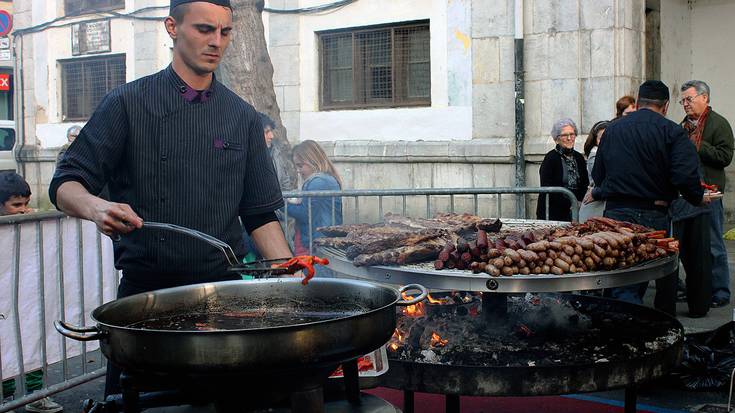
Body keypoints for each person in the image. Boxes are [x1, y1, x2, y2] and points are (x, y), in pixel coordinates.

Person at [49, 0, 293, 397]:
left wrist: (292, 286)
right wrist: (97, 208)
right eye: (203, 29)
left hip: (223, 299)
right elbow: (64, 183)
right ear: (171, 28)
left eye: (225, 32)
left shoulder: (242, 117)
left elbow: (260, 215)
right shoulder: (127, 103)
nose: (216, 42)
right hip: (147, 302)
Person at [588, 80, 707, 316]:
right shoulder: (672, 131)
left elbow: (598, 175)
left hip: (616, 214)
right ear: (665, 106)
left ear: (639, 101)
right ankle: (626, 328)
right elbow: (685, 175)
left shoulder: (612, 129)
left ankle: (616, 325)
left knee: (621, 273)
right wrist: (698, 197)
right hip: (652, 214)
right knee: (635, 276)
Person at [1, 172, 61, 413]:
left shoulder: (29, 223)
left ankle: (36, 393)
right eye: (16, 205)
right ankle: (7, 398)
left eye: (25, 203)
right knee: (5, 345)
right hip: (4, 299)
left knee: (31, 340)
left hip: (25, 295)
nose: (24, 209)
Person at [679, 80, 734, 309]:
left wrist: (698, 146)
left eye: (689, 99)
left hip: (710, 194)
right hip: (687, 195)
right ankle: (697, 288)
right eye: (682, 101)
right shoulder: (681, 126)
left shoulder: (718, 123)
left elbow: (725, 157)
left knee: (713, 244)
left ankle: (720, 290)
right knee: (688, 247)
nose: (685, 104)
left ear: (705, 98)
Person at [288, 140, 343, 256]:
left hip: (318, 245)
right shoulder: (323, 179)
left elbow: (305, 213)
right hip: (319, 242)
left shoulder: (319, 182)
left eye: (300, 166)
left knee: (317, 274)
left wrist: (279, 204)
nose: (298, 171)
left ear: (312, 161)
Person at [536, 118, 589, 222]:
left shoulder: (579, 157)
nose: (569, 138)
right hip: (553, 213)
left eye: (572, 134)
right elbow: (547, 186)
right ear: (557, 139)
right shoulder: (550, 158)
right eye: (565, 135)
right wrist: (570, 203)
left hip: (575, 211)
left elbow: (584, 183)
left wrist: (578, 203)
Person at [579, 120, 609, 222]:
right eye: (601, 138)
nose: (605, 141)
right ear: (595, 140)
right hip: (594, 209)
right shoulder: (594, 156)